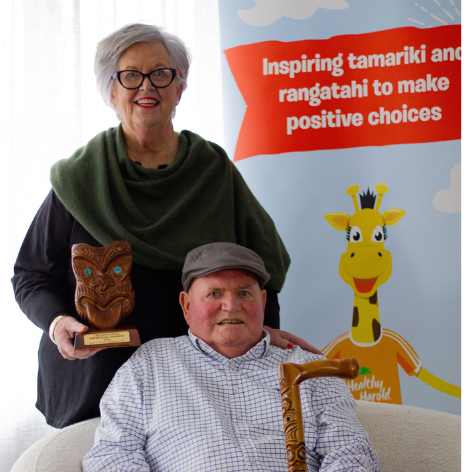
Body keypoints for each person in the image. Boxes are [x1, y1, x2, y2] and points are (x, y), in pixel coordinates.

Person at [11, 23, 319, 429]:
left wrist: (262, 331)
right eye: (130, 75)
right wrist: (57, 322)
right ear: (111, 92)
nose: (146, 86)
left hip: (198, 386)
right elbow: (31, 274)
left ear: (180, 87)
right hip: (93, 385)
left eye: (160, 73)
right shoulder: (80, 179)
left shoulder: (213, 171)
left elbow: (263, 266)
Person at [83, 242, 379, 472]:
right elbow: (112, 454)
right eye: (214, 294)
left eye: (244, 293)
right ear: (186, 306)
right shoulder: (149, 365)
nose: (231, 305)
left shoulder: (310, 368)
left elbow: (350, 453)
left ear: (263, 301)